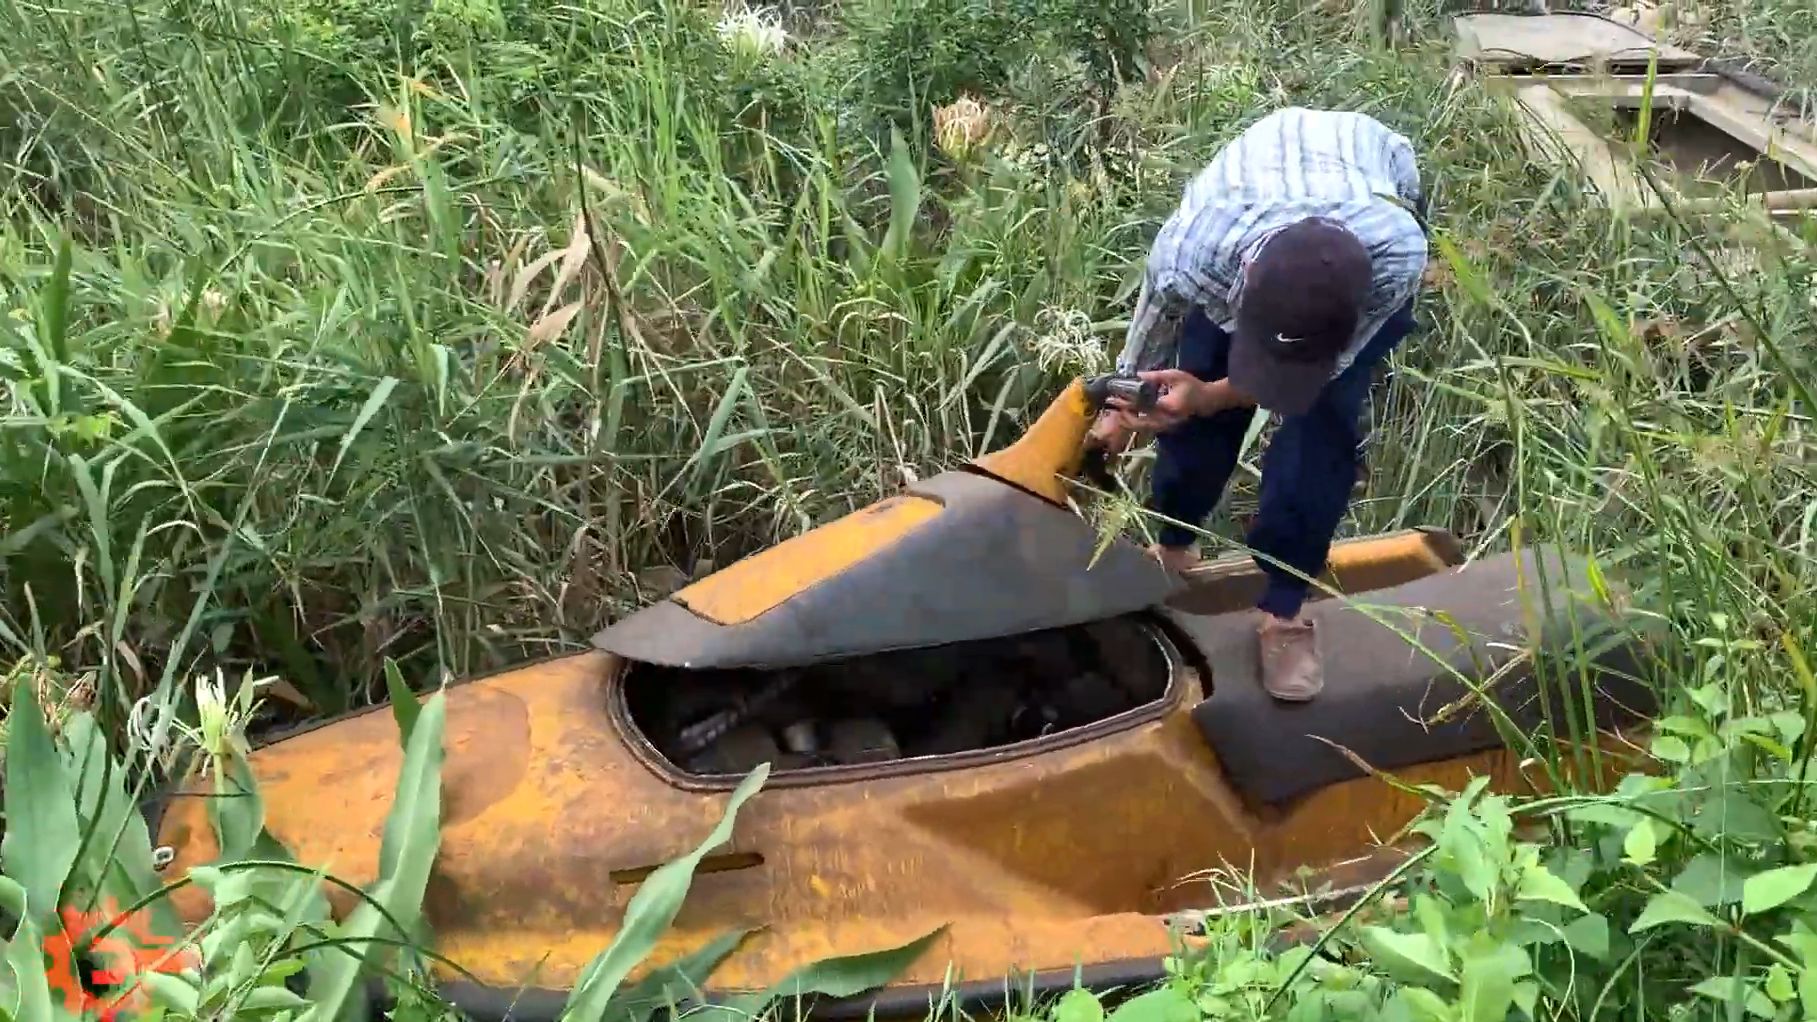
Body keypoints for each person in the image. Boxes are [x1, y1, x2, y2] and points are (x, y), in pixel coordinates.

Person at [1089, 107, 1430, 703]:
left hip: (1368, 185)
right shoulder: (1197, 252)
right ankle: (1173, 544)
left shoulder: (1397, 255)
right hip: (1259, 194)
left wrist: (1212, 397)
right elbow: (1155, 321)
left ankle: (1284, 609)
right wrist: (1122, 407)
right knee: (1191, 393)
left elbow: (1335, 363)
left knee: (1321, 430)